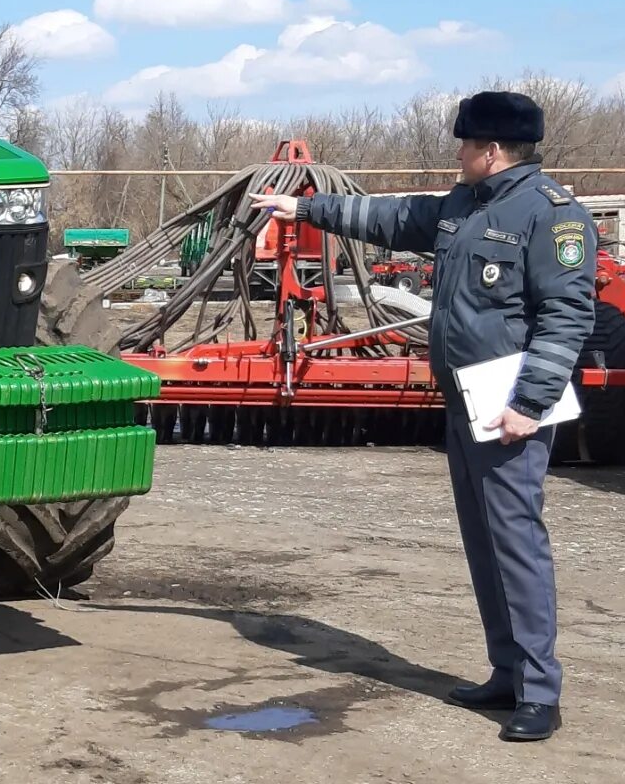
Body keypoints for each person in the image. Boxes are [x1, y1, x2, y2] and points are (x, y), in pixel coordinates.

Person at [250, 90, 596, 743]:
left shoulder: (553, 217)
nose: (459, 155)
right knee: (483, 540)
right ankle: (507, 672)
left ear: (491, 149)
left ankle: (540, 693)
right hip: (463, 395)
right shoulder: (464, 205)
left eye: (466, 145)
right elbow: (387, 216)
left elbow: (567, 318)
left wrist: (530, 403)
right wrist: (303, 206)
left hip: (507, 396)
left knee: (516, 544)